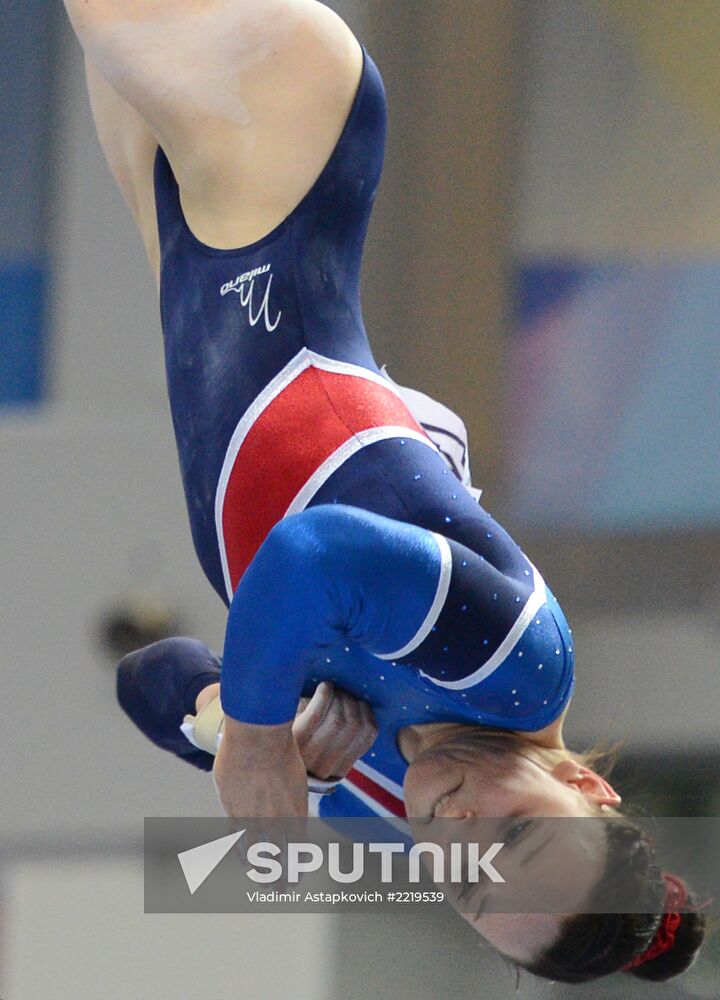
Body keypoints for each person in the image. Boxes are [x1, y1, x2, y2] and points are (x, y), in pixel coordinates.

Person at [62, 0, 708, 982]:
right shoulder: (516, 661)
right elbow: (307, 553)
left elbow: (149, 676)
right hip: (287, 149)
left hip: (187, 222)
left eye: (466, 883)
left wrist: (226, 720)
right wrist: (261, 737)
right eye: (519, 836)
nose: (455, 833)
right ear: (583, 781)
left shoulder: (373, 803)